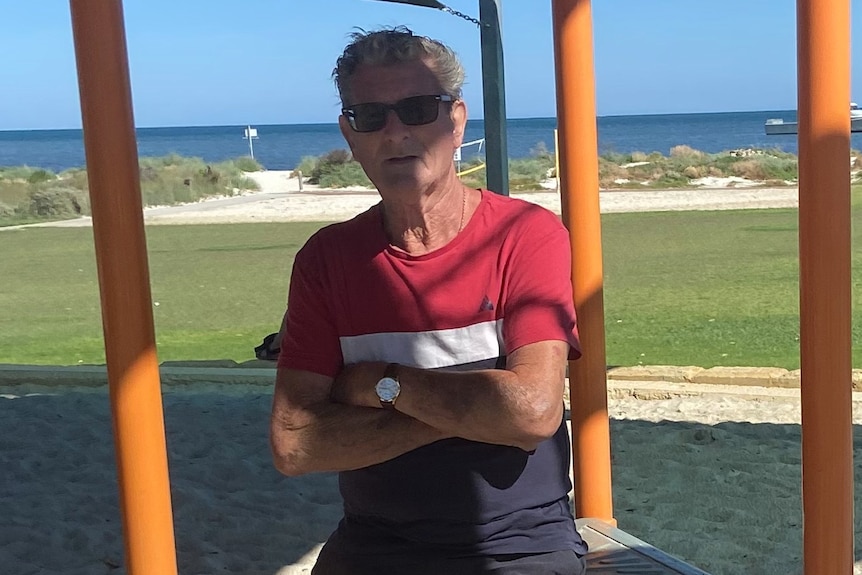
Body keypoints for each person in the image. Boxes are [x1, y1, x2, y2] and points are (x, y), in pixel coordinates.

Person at [269, 27, 588, 575]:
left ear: (456, 120)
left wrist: (376, 385)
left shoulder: (526, 236)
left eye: (417, 109)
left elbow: (532, 414)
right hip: (373, 545)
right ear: (350, 133)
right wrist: (480, 411)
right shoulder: (327, 259)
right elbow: (296, 445)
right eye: (370, 116)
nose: (395, 133)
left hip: (518, 548)